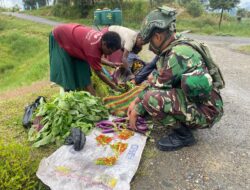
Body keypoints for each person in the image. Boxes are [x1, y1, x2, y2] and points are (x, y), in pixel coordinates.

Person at [127, 6, 224, 151]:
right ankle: (187, 119)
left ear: (158, 37)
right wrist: (135, 100)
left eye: (150, 42)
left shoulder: (177, 54)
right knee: (150, 89)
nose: (150, 47)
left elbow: (155, 90)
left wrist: (136, 110)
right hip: (201, 103)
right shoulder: (176, 42)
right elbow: (156, 79)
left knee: (151, 99)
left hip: (206, 111)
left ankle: (184, 136)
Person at [49, 23, 122, 95]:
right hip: (60, 36)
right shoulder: (93, 49)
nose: (110, 54)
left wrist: (110, 64)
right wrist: (112, 86)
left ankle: (90, 96)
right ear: (104, 44)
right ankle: (67, 95)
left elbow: (95, 58)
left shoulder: (102, 39)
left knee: (84, 72)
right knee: (68, 72)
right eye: (110, 51)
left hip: (74, 37)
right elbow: (98, 72)